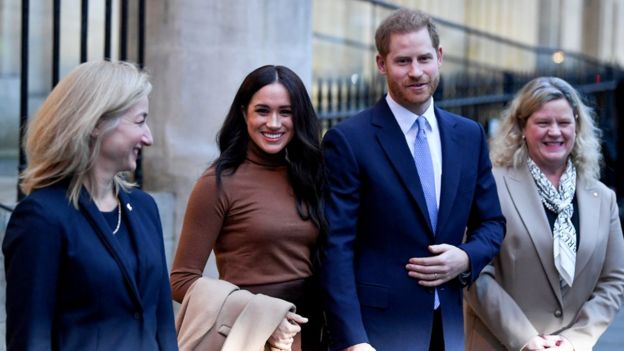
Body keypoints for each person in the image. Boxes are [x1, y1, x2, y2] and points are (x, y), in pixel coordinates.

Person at [320, 8, 506, 351]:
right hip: (375, 334)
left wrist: (466, 258)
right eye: (403, 61)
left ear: (439, 56)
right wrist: (352, 340)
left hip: (448, 329)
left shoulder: (469, 135)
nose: (416, 72)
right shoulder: (349, 140)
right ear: (381, 64)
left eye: (424, 58)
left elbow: (492, 223)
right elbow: (336, 248)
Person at [2, 60, 178, 350]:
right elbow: (30, 339)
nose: (148, 137)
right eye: (139, 120)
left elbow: (162, 325)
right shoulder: (41, 218)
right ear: (96, 123)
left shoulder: (145, 207)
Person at [170, 65, 327, 351]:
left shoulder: (311, 174)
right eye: (263, 111)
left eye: (286, 112)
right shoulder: (217, 183)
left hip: (317, 330)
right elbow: (181, 279)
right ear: (244, 114)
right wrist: (262, 314)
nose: (274, 123)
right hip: (256, 336)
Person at [464, 77, 624, 350]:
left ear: (577, 127)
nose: (555, 132)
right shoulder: (491, 185)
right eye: (543, 123)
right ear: (522, 127)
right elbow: (475, 273)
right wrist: (526, 339)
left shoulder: (602, 197)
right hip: (500, 343)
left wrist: (575, 340)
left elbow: (613, 281)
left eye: (564, 123)